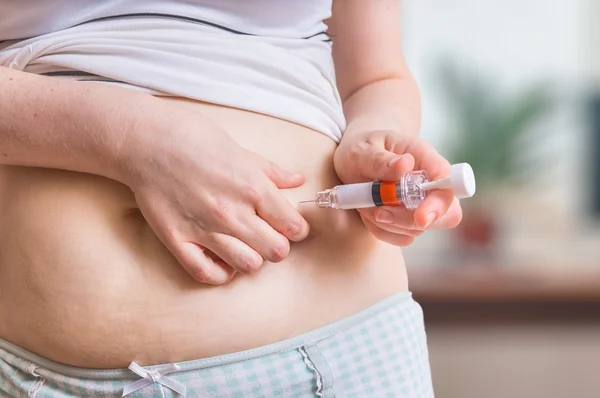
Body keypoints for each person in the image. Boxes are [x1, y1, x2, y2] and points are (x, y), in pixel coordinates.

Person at [0, 1, 462, 396]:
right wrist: (135, 139)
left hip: (341, 358)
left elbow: (376, 76)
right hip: (35, 373)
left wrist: (375, 137)